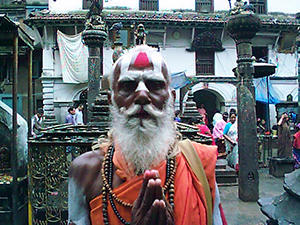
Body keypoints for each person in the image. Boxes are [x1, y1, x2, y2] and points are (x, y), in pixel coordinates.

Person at [68, 45, 226, 225]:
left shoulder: (199, 164)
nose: (142, 95)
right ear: (111, 100)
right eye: (128, 86)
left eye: (155, 85)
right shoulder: (84, 171)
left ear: (172, 99)